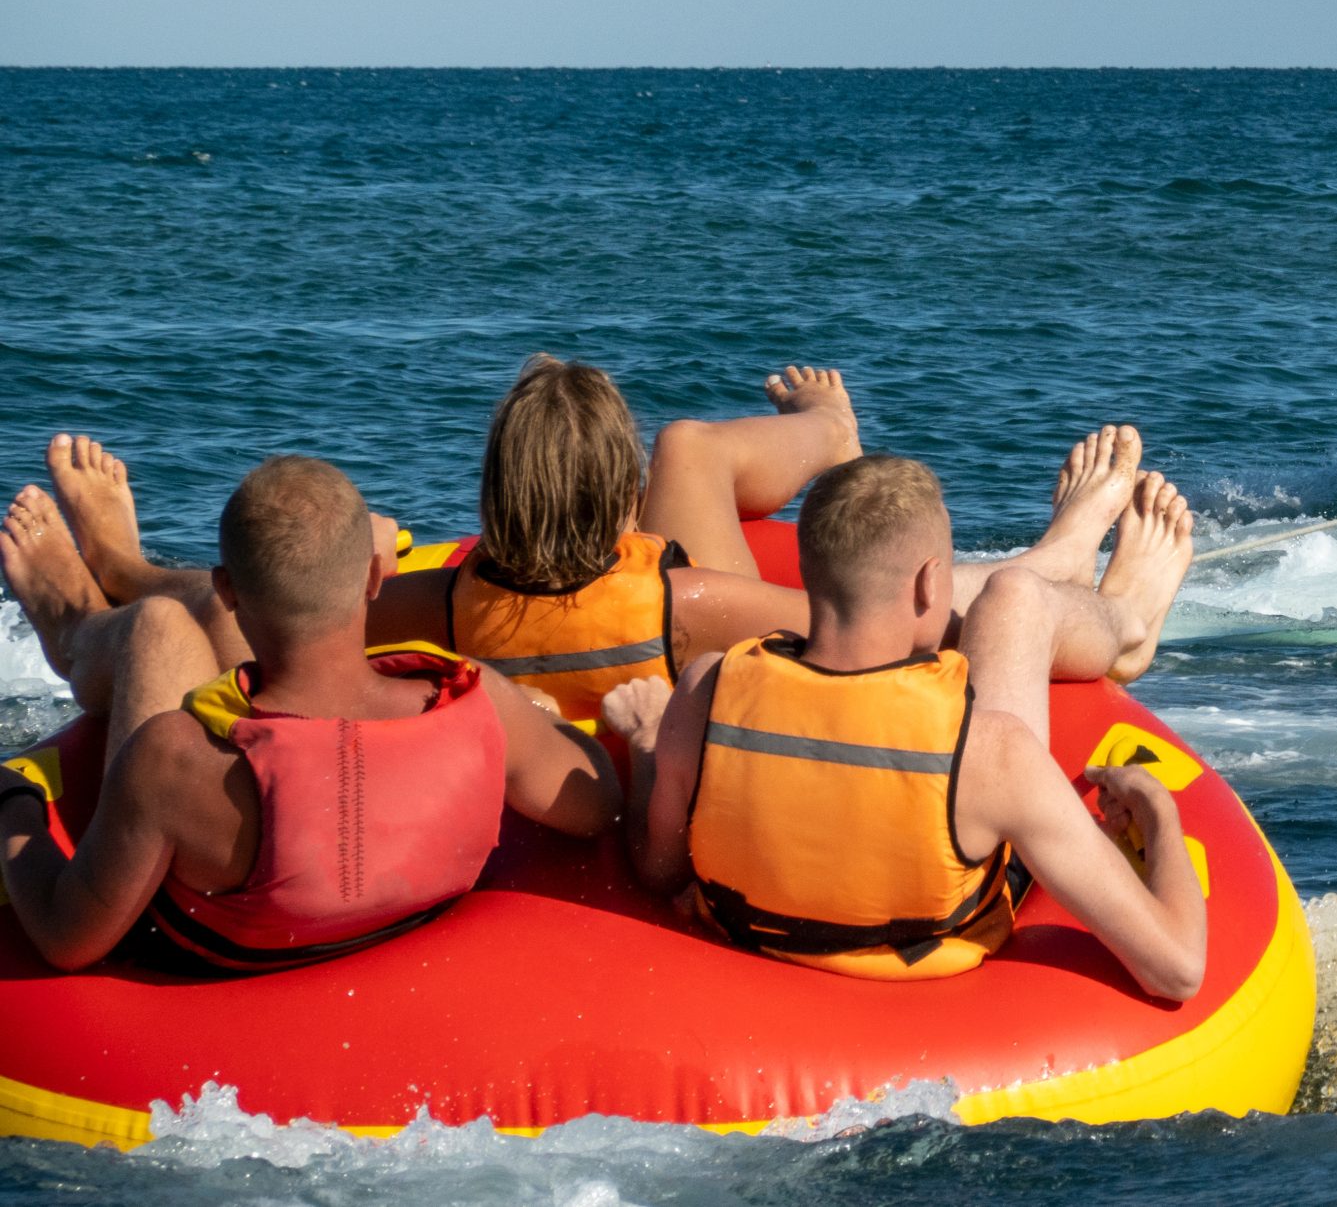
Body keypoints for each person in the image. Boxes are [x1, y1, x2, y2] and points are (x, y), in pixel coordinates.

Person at [42, 356, 1154, 723]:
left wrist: (144, 577)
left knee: (300, 568)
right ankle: (849, 440)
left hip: (529, 604)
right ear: (623, 504)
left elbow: (284, 596)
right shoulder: (689, 603)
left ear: (487, 495)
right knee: (697, 450)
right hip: (662, 608)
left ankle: (832, 433)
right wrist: (1049, 591)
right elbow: (890, 621)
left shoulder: (440, 602)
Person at [604, 455, 1205, 999]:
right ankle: (1125, 623)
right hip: (933, 920)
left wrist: (650, 748)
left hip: (760, 934)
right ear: (929, 583)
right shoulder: (991, 757)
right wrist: (1159, 814)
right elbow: (1176, 970)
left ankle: (1095, 590)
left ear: (807, 572)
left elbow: (659, 871)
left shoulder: (705, 692)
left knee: (1010, 599)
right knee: (1012, 596)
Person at [0, 457, 618, 973]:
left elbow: (68, 939)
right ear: (377, 576)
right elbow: (596, 805)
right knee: (193, 623)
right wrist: (546, 717)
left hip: (216, 953)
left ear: (230, 586)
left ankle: (78, 621)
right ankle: (120, 567)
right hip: (393, 908)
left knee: (156, 627)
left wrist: (14, 803)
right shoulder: (482, 706)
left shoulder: (174, 763)